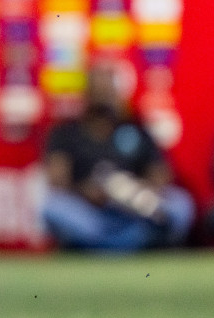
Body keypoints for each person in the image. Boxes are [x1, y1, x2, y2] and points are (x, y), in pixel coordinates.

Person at [41, 61, 195, 252]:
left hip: (133, 214)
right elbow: (57, 181)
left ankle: (106, 246)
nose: (102, 98)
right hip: (90, 213)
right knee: (53, 207)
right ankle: (120, 244)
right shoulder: (65, 132)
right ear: (86, 94)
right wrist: (87, 192)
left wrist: (134, 192)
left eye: (107, 91)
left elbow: (161, 173)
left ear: (117, 93)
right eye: (97, 91)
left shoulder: (135, 128)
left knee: (181, 204)